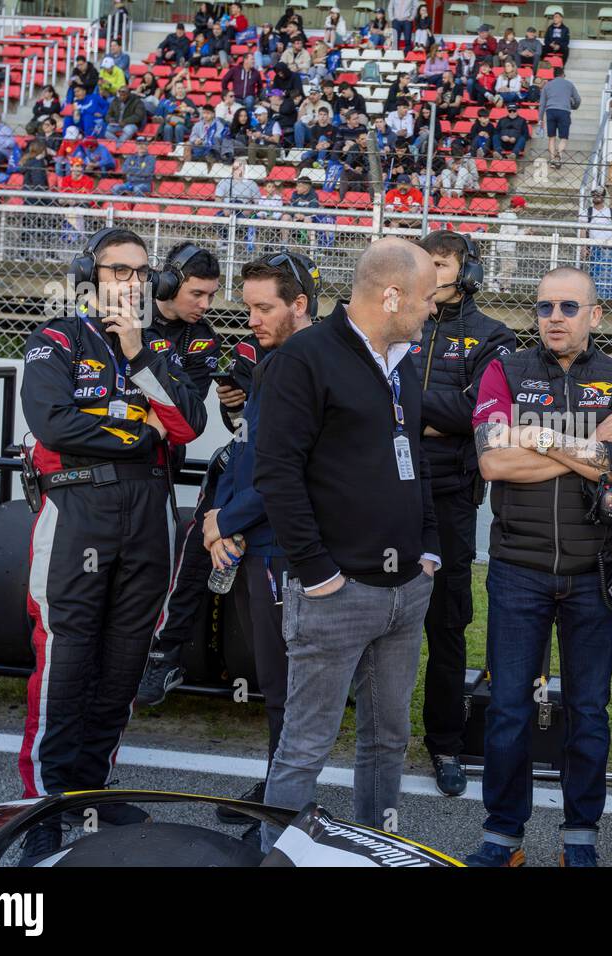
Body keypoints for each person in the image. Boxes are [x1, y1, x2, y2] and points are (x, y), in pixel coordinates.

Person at [17, 227, 207, 864]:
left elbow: (187, 425)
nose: (129, 281)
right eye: (117, 269)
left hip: (150, 513)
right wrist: (135, 428)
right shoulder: (56, 339)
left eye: (139, 272)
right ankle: (43, 803)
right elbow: (53, 422)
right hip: (79, 509)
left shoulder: (157, 348)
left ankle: (88, 788)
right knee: (68, 654)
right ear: (88, 275)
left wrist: (139, 358)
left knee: (125, 656)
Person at [254, 239, 440, 852]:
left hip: (405, 590)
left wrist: (428, 549)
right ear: (391, 296)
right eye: (426, 297)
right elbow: (277, 473)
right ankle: (276, 856)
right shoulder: (304, 359)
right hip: (335, 592)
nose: (432, 309)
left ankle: (375, 851)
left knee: (388, 737)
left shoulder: (404, 360)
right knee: (306, 744)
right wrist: (318, 572)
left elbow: (416, 459)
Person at [464, 266, 612, 867]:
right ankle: (504, 833)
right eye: (545, 307)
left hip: (594, 571)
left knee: (589, 712)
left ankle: (580, 834)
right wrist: (587, 445)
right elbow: (493, 462)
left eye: (569, 307)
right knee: (510, 707)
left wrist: (538, 438)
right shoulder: (504, 370)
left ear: (595, 316)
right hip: (518, 567)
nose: (555, 318)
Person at [196, 255, 313, 834]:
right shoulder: (271, 360)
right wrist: (222, 516)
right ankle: (279, 784)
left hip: (288, 548)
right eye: (247, 307)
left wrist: (225, 521)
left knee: (290, 685)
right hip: (255, 539)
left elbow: (286, 469)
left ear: (300, 304)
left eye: (264, 307)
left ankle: (286, 803)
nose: (252, 319)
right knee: (275, 681)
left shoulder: (309, 363)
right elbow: (246, 450)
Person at [403, 231, 516, 796]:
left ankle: (444, 743)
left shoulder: (493, 337)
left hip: (448, 497)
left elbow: (480, 414)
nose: (431, 272)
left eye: (441, 264)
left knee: (446, 624)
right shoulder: (399, 321)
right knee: (367, 613)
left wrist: (404, 409)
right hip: (386, 491)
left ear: (466, 271)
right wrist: (425, 418)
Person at [539, 66, 580, 170]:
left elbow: (542, 104)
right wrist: (574, 106)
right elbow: (578, 99)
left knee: (551, 137)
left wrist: (540, 118)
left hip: (550, 111)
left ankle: (552, 160)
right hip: (564, 111)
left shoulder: (547, 85)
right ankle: (559, 156)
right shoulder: (569, 84)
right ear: (562, 74)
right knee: (563, 137)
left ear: (554, 75)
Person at [584, 188, 612, 300]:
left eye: (599, 194)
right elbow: (582, 230)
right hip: (594, 248)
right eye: (594, 195)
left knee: (610, 275)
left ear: (604, 197)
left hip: (610, 249)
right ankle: (596, 297)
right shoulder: (588, 212)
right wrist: (583, 247)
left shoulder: (611, 212)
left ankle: (610, 298)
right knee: (595, 275)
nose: (597, 196)